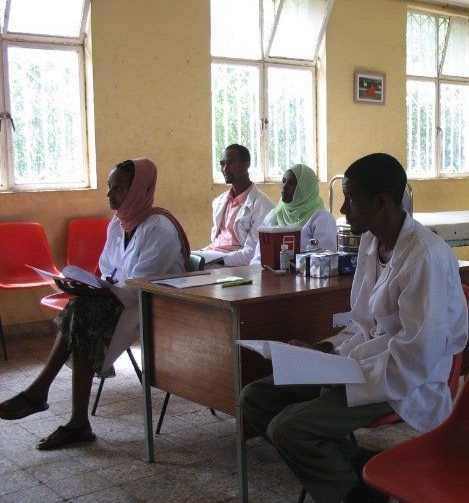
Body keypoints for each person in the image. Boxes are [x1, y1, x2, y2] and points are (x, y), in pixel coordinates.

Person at [239, 153, 468, 503]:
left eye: (351, 199)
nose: (343, 209)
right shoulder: (371, 242)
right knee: (254, 399)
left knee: (288, 428)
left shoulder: (425, 258)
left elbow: (414, 358)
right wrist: (321, 350)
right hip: (362, 365)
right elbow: (362, 322)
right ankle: (362, 473)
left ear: (382, 202)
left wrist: (340, 372)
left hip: (403, 381)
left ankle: (357, 492)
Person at [0, 159, 190, 450]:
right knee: (80, 311)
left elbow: (140, 285)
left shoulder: (159, 228)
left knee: (82, 314)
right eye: (109, 187)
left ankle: (50, 401)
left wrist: (99, 292)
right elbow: (108, 268)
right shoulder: (119, 223)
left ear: (139, 190)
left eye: (118, 188)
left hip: (154, 306)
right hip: (121, 299)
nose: (109, 194)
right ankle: (69, 416)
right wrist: (85, 287)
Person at [199, 144, 274, 266]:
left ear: (246, 164)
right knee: (182, 257)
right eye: (222, 164)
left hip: (232, 260)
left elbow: (251, 253)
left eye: (230, 163)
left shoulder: (262, 206)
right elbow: (215, 242)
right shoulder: (219, 201)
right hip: (213, 254)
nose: (225, 168)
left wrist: (218, 261)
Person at [249, 164, 337, 265]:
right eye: (283, 181)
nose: (284, 187)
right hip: (270, 277)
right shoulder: (274, 216)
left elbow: (326, 260)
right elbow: (258, 258)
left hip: (305, 277)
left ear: (305, 188)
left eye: (292, 183)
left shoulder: (321, 218)